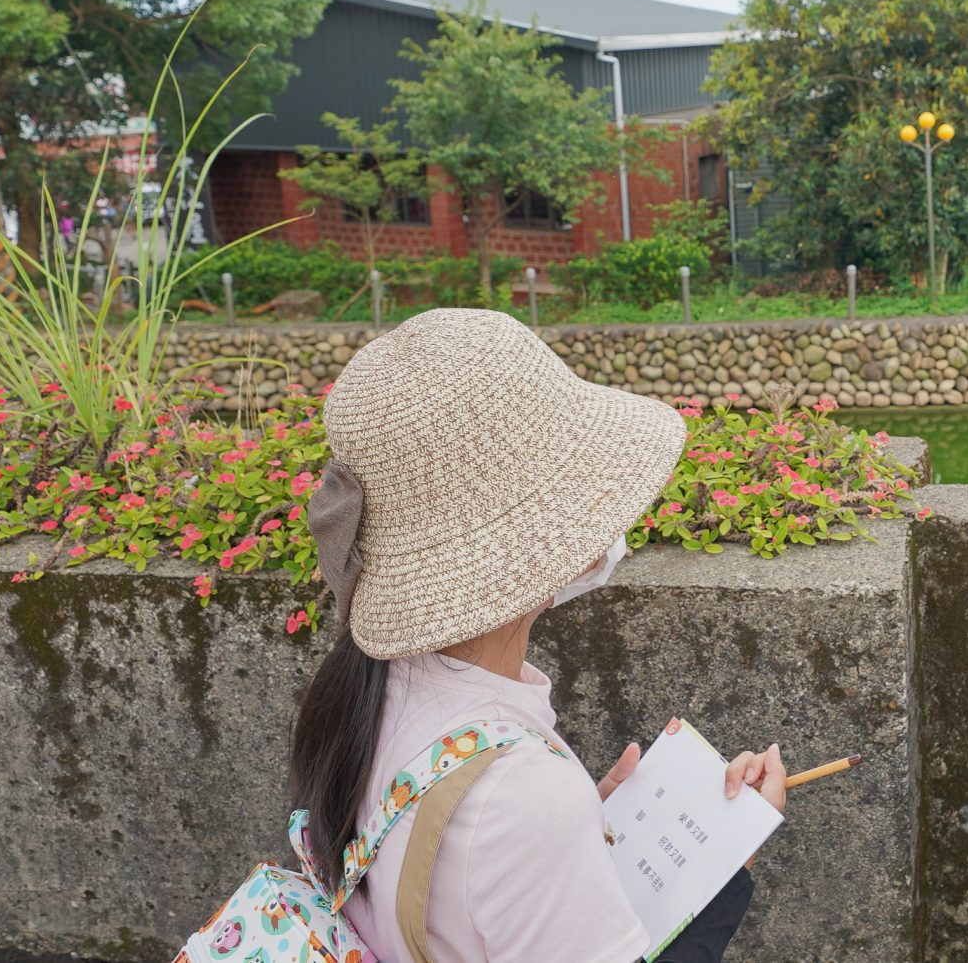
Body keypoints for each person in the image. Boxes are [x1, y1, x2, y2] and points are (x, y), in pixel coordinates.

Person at [289, 308, 785, 963]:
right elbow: (501, 832)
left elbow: (456, 889)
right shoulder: (521, 798)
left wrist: (579, 841)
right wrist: (727, 867)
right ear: (521, 551)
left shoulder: (369, 690)